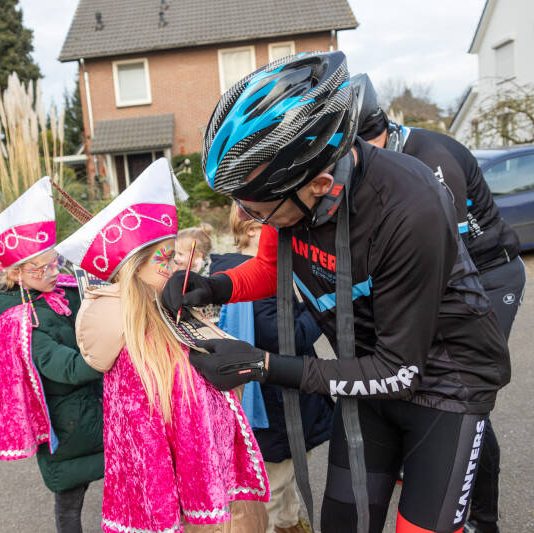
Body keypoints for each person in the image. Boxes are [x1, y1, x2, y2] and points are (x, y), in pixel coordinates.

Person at [162, 51, 511, 533]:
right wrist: (214, 286)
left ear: (321, 184)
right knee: (343, 523)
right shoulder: (292, 188)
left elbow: (400, 371)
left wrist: (262, 366)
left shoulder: (409, 208)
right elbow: (271, 269)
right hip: (365, 371)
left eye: (258, 210)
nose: (248, 217)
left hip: (444, 386)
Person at [56, 158, 270, 533]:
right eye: (165, 257)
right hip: (184, 507)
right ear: (134, 264)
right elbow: (144, 448)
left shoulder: (173, 313)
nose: (174, 266)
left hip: (214, 488)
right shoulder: (132, 346)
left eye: (175, 256)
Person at [353, 73, 525, 533]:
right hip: (451, 271)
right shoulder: (378, 162)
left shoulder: (430, 159)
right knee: (424, 382)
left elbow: (444, 254)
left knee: (462, 391)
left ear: (385, 130)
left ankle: (481, 517)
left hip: (490, 272)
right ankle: (433, 470)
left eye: (371, 144)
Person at [0, 177, 103, 533]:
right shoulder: (21, 321)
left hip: (97, 407)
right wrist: (110, 352)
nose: (56, 272)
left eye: (57, 263)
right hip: (68, 426)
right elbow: (65, 368)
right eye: (44, 268)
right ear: (16, 273)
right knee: (70, 502)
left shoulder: (61, 289)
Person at [211, 204, 334, 533]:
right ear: (252, 231)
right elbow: (288, 337)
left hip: (275, 401)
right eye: (274, 226)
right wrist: (322, 305)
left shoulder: (231, 271)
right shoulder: (254, 282)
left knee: (286, 478)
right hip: (278, 405)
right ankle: (283, 525)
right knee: (275, 485)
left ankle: (292, 524)